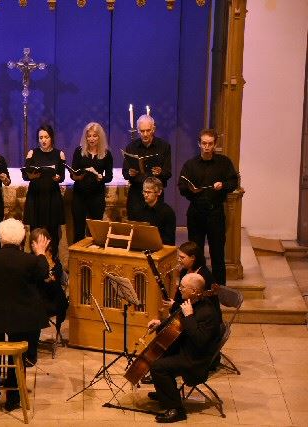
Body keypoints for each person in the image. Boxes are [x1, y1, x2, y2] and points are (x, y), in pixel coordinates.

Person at [0, 218, 50, 411]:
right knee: (19, 358)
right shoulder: (31, 261)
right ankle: (13, 399)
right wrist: (40, 253)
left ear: (0, 238)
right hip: (22, 320)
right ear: (22, 239)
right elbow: (43, 274)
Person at [146, 273, 222, 423]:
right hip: (185, 349)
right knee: (155, 355)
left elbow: (200, 341)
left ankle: (176, 410)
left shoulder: (207, 313)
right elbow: (176, 321)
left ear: (194, 291)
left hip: (196, 359)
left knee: (158, 367)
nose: (179, 289)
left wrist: (188, 317)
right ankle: (166, 392)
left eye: (182, 287)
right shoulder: (190, 302)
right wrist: (159, 323)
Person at [178, 129, 239, 285]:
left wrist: (223, 185)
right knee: (195, 254)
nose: (206, 147)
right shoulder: (190, 165)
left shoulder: (224, 163)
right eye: (204, 143)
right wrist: (191, 191)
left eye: (210, 144)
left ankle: (219, 290)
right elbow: (181, 186)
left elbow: (233, 182)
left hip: (215, 212)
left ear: (215, 144)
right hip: (196, 213)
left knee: (217, 253)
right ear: (199, 144)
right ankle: (196, 287)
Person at [22, 124, 66, 255]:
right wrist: (31, 175)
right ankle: (35, 262)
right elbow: (25, 175)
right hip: (36, 197)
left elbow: (62, 177)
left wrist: (58, 178)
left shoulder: (59, 154)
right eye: (41, 137)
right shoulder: (32, 153)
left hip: (52, 197)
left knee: (53, 233)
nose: (43, 140)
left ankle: (53, 264)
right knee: (35, 232)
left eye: (46, 137)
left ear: (51, 137)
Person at [29, 227, 69, 365]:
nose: (38, 245)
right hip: (38, 299)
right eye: (35, 242)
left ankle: (31, 350)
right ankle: (28, 346)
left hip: (53, 300)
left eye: (42, 241)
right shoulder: (29, 260)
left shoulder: (55, 261)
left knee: (34, 311)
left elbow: (54, 285)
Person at [70, 122, 113, 242]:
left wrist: (100, 177)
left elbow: (109, 177)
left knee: (95, 231)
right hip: (79, 195)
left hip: (97, 196)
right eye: (89, 136)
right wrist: (76, 177)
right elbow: (73, 173)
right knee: (78, 231)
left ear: (100, 137)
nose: (91, 139)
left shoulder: (106, 154)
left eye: (94, 136)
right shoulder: (79, 151)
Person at [122, 115, 172, 221]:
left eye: (148, 130)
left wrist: (160, 172)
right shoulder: (131, 147)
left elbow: (168, 173)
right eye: (142, 131)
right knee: (135, 229)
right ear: (138, 131)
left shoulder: (164, 146)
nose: (145, 134)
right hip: (137, 194)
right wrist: (130, 173)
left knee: (155, 228)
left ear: (153, 129)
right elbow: (125, 173)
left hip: (155, 195)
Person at [133, 177, 176, 245]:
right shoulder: (139, 210)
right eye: (144, 191)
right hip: (142, 247)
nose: (146, 195)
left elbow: (169, 239)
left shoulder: (167, 212)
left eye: (149, 192)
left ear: (159, 192)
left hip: (161, 248)